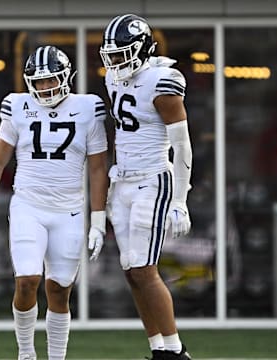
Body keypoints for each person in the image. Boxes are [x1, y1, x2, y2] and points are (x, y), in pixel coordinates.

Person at [0, 45, 108, 360]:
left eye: (50, 80)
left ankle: (56, 357)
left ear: (66, 77)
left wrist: (98, 220)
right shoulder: (17, 106)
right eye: (38, 81)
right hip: (28, 206)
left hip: (69, 209)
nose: (44, 87)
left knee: (59, 289)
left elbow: (99, 167)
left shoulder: (88, 108)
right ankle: (26, 354)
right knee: (28, 280)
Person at [100, 14, 193, 360]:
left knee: (144, 268)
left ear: (141, 49)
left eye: (122, 53)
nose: (115, 62)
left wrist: (180, 200)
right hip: (123, 179)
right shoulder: (114, 77)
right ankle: (158, 347)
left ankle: (175, 350)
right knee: (130, 269)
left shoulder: (163, 80)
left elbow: (181, 146)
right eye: (111, 54)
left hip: (152, 179)